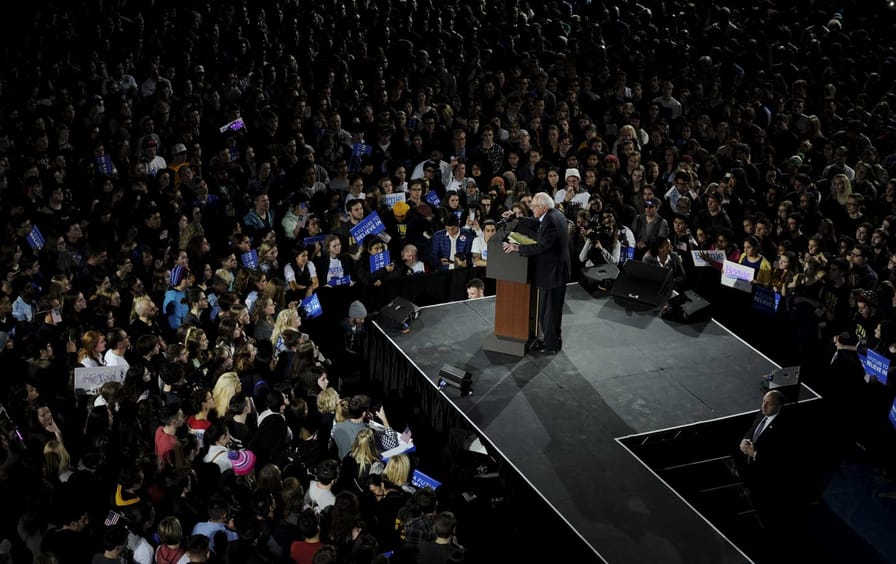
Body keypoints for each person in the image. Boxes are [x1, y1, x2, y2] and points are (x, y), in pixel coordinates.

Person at [502, 192, 571, 354]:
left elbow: (542, 246)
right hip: (556, 271)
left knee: (549, 312)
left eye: (534, 206)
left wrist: (517, 248)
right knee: (552, 310)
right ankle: (553, 341)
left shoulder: (551, 221)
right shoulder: (553, 215)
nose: (531, 208)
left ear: (543, 207)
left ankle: (550, 345)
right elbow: (537, 223)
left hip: (552, 274)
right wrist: (517, 218)